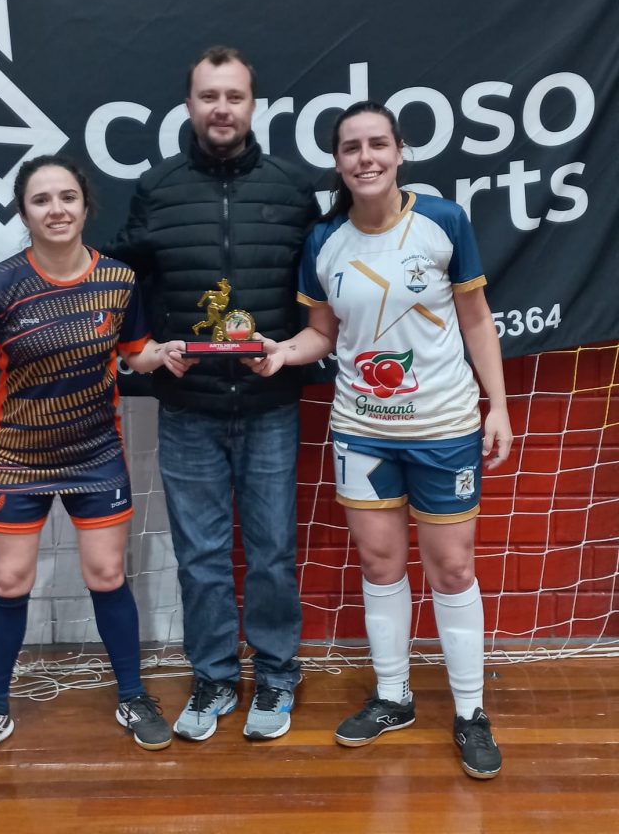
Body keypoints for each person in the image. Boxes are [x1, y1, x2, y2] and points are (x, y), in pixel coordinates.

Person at [247, 100, 513, 778]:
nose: (365, 158)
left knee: (452, 570)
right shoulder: (324, 240)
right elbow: (321, 335)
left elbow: (476, 319)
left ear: (399, 153)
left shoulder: (443, 221)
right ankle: (393, 696)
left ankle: (470, 711)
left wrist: (499, 406)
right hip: (362, 431)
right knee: (379, 564)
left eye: (376, 144)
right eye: (351, 148)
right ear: (337, 162)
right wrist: (282, 353)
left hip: (444, 427)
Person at [105, 46, 319, 741]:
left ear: (253, 105)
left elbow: (319, 294)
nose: (221, 109)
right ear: (189, 105)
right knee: (199, 557)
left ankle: (278, 673)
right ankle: (215, 675)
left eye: (233, 96)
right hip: (188, 409)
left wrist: (287, 355)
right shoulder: (157, 188)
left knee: (272, 552)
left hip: (269, 407)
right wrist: (145, 353)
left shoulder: (293, 189)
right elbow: (126, 283)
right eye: (208, 96)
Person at [0, 155, 185, 769]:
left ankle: (132, 697)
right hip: (16, 458)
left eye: (67, 197)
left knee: (107, 576)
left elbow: (136, 354)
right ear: (24, 212)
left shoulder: (119, 280)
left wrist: (168, 353)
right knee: (10, 583)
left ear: (85, 205)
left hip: (96, 456)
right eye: (41, 200)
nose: (56, 210)